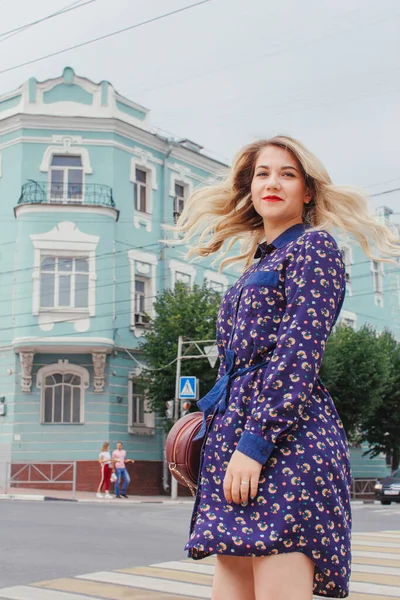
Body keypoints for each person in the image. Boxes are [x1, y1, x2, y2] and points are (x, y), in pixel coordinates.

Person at [172, 136, 400, 600]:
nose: (272, 182)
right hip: (237, 437)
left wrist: (253, 446)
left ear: (308, 191)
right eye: (262, 173)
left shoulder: (314, 247)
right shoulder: (263, 260)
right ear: (249, 187)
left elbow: (297, 356)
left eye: (287, 174)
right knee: (232, 583)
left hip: (283, 443)